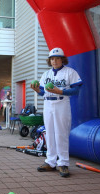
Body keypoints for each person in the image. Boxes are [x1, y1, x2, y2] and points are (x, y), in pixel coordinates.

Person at [31, 47, 82, 177]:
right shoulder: (46, 74)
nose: (54, 61)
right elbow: (43, 92)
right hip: (48, 104)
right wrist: (37, 90)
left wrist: (61, 91)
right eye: (52, 58)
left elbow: (76, 90)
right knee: (49, 133)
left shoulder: (70, 72)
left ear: (62, 59)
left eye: (57, 58)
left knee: (62, 133)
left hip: (62, 103)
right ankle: (50, 162)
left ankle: (63, 163)